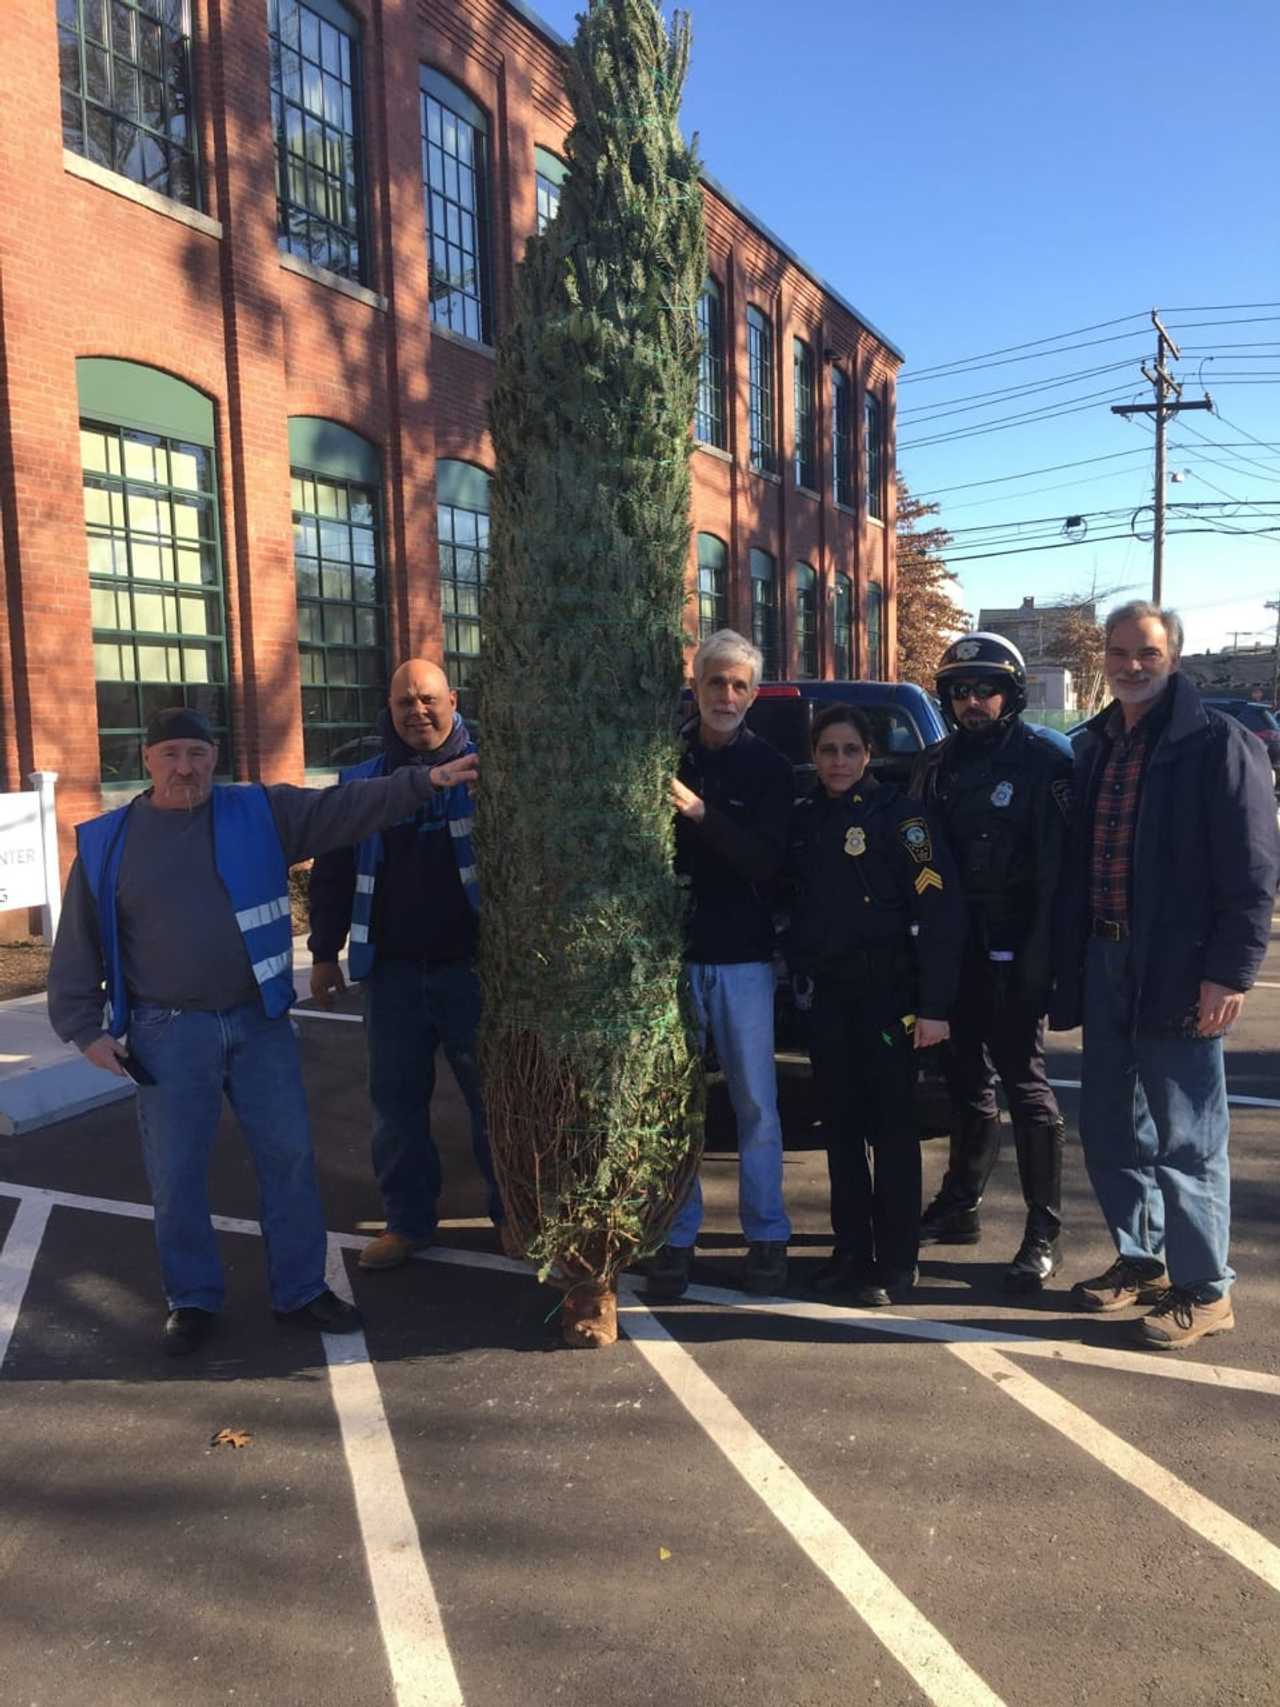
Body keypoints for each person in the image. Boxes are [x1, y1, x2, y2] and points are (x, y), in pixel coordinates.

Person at [47, 705, 479, 1356]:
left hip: (258, 1022)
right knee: (176, 1174)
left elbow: (349, 808)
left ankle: (302, 1288)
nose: (184, 767)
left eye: (196, 753)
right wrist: (83, 1025)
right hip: (169, 1031)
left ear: (214, 757)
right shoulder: (110, 840)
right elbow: (77, 943)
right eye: (170, 755)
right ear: (147, 760)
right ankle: (191, 1298)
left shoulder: (257, 812)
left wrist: (426, 782)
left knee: (290, 1161)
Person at [1052, 601, 1280, 1347]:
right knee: (1111, 1125)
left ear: (1173, 656)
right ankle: (1142, 1261)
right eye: (1117, 652)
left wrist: (1230, 972)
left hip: (1182, 971)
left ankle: (1206, 1288)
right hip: (1107, 958)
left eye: (1145, 651)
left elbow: (1251, 872)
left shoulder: (1218, 743)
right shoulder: (1098, 745)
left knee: (1188, 1137)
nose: (1130, 664)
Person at [308, 659, 504, 1270]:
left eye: (427, 699)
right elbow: (333, 873)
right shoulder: (363, 781)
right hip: (391, 973)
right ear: (388, 710)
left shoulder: (492, 775)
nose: (417, 711)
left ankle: (512, 1216)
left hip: (474, 972)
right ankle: (408, 1223)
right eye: (403, 703)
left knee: (492, 1104)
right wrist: (322, 952)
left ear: (453, 699)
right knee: (395, 1108)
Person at [783, 704, 966, 1304]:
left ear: (869, 755)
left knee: (891, 1131)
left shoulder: (903, 818)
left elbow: (939, 911)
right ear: (814, 756)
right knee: (839, 1130)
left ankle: (895, 1259)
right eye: (827, 750)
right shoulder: (807, 816)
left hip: (890, 998)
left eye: (850, 750)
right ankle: (850, 1249)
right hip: (830, 998)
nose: (838, 761)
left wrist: (935, 1005)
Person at [910, 633, 1072, 1291]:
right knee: (964, 1083)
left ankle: (1044, 1230)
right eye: (961, 691)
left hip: (1018, 950)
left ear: (1013, 694)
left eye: (987, 689)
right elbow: (918, 853)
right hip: (955, 953)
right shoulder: (933, 765)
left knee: (1026, 1088)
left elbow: (1061, 874)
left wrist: (1043, 958)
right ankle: (961, 1201)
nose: (973, 701)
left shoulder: (1046, 761)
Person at [645, 629, 794, 1300]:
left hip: (742, 961)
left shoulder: (767, 768)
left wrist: (703, 814)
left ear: (754, 694)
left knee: (755, 1103)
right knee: (675, 1105)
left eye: (739, 685)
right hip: (673, 958)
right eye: (715, 682)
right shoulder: (665, 754)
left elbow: (769, 865)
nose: (726, 695)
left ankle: (767, 1235)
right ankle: (677, 1236)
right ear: (696, 686)